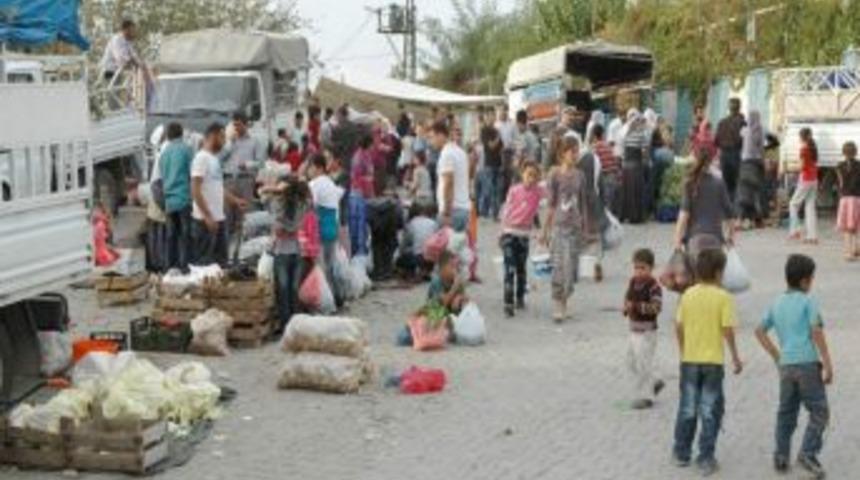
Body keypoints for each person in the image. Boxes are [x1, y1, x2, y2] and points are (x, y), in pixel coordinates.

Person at [754, 254, 832, 477]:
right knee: (819, 411)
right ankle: (808, 453)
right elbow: (816, 331)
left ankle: (781, 456)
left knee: (786, 412)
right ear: (805, 281)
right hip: (807, 364)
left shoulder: (776, 302)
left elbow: (759, 331)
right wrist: (827, 362)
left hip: (786, 366)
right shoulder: (809, 301)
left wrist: (777, 356)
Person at [672, 248, 743, 476]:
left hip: (689, 362)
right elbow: (727, 330)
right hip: (713, 363)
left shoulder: (687, 295)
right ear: (719, 272)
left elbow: (678, 325)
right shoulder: (723, 297)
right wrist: (735, 357)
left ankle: (681, 452)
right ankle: (705, 457)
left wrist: (683, 350)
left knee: (687, 408)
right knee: (711, 410)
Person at [541, 135, 589, 323]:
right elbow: (551, 205)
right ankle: (558, 305)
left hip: (575, 228)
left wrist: (586, 227)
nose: (575, 155)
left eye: (577, 151)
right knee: (560, 268)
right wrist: (545, 231)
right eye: (572, 151)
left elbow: (584, 203)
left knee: (572, 270)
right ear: (562, 154)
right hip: (559, 228)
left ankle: (565, 302)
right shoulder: (554, 175)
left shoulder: (580, 176)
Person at [191, 123, 247, 266]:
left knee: (221, 263)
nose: (224, 141)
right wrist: (208, 216)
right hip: (205, 222)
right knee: (204, 266)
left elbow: (218, 187)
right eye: (222, 137)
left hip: (219, 219)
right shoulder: (201, 158)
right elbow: (195, 189)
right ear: (212, 136)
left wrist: (234, 200)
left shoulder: (214, 159)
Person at [269, 178, 318, 333]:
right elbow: (289, 228)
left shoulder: (280, 206)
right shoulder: (301, 206)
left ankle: (286, 325)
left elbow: (279, 229)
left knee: (284, 290)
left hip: (283, 252)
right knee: (293, 289)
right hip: (296, 252)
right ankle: (293, 325)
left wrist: (275, 191)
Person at [673, 147, 736, 263]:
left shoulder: (690, 184)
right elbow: (730, 214)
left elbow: (683, 216)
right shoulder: (719, 183)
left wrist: (677, 242)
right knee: (713, 279)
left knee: (695, 278)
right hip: (715, 239)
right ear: (711, 162)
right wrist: (731, 237)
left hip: (694, 239)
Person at [499, 162, 543, 317]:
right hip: (509, 233)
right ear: (522, 174)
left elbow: (551, 191)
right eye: (528, 174)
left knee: (521, 269)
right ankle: (508, 302)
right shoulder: (514, 190)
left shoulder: (538, 192)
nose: (531, 178)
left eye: (534, 176)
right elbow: (506, 211)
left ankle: (520, 297)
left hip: (524, 236)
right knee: (509, 268)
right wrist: (502, 232)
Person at [623, 248, 665, 410]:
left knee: (643, 363)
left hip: (647, 332)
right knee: (631, 362)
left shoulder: (654, 287)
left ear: (651, 268)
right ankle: (656, 380)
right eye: (636, 268)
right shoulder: (633, 282)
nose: (639, 272)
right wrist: (626, 307)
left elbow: (656, 308)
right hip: (633, 330)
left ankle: (647, 396)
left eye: (643, 268)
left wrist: (637, 306)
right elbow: (628, 297)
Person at [308, 153, 344, 305]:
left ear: (318, 167)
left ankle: (325, 302)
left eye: (311, 167)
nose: (309, 171)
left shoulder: (315, 184)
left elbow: (311, 205)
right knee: (331, 266)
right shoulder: (331, 183)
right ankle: (338, 297)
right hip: (333, 228)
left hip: (321, 228)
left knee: (321, 269)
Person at [159, 122, 194, 272]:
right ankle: (184, 266)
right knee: (185, 235)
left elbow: (162, 176)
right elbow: (192, 174)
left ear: (168, 135)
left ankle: (168, 267)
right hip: (183, 197)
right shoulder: (186, 150)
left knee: (171, 235)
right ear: (181, 133)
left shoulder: (164, 153)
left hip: (169, 200)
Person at [432, 120, 471, 232]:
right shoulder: (461, 152)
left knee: (442, 247)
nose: (431, 141)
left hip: (452, 210)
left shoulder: (446, 154)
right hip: (464, 208)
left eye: (432, 137)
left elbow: (449, 182)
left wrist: (446, 212)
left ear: (440, 135)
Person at [738, 110, 767, 228]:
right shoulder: (762, 130)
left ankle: (741, 219)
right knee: (757, 193)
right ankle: (758, 221)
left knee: (744, 192)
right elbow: (773, 140)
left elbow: (739, 139)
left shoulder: (744, 130)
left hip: (745, 163)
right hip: (758, 163)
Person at [789, 127, 819, 244]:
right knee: (810, 206)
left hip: (805, 179)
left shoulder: (803, 149)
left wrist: (789, 168)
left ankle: (796, 230)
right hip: (814, 179)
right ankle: (812, 236)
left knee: (793, 204)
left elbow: (801, 167)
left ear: (801, 137)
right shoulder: (813, 148)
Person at [620, 109, 650, 224]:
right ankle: (635, 216)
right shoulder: (640, 133)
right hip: (636, 165)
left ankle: (626, 215)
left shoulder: (625, 132)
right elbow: (644, 150)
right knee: (635, 191)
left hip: (628, 165)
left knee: (628, 191)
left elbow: (622, 147)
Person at [348, 133, 375, 257]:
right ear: (368, 144)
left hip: (354, 192)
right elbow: (366, 177)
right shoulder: (364, 157)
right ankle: (361, 251)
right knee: (361, 225)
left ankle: (354, 250)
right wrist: (371, 194)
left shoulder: (356, 155)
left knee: (354, 223)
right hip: (362, 193)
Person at [396, 203, 438, 280]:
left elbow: (404, 244)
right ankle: (426, 271)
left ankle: (413, 271)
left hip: (418, 258)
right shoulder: (433, 223)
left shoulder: (411, 223)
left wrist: (399, 255)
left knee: (402, 256)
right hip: (433, 257)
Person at [715, 98, 746, 201]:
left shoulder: (722, 122)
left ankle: (727, 207)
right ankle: (735, 208)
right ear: (739, 107)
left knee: (726, 182)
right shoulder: (742, 122)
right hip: (736, 153)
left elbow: (716, 141)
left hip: (724, 154)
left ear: (729, 108)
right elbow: (744, 140)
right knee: (737, 182)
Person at [836, 141, 860, 260]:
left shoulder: (839, 166)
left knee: (846, 228)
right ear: (856, 152)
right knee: (855, 226)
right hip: (857, 199)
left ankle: (848, 253)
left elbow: (840, 184)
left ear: (843, 153)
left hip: (845, 199)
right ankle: (856, 247)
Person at [428, 251, 468, 315]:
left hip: (450, 314)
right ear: (442, 268)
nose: (455, 270)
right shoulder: (437, 281)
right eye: (452, 266)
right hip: (435, 314)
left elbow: (466, 298)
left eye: (456, 266)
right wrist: (455, 286)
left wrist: (460, 298)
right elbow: (444, 303)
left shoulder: (454, 280)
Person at [592, 124, 620, 216]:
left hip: (603, 175)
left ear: (594, 136)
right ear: (603, 134)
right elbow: (615, 161)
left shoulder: (595, 147)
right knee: (610, 200)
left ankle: (606, 220)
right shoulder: (608, 146)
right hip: (612, 175)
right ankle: (610, 218)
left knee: (604, 199)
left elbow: (595, 164)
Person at [481, 113, 504, 219]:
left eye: (493, 116)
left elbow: (501, 147)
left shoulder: (496, 131)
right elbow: (491, 146)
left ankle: (495, 214)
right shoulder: (484, 131)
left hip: (498, 163)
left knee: (497, 190)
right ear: (486, 119)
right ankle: (484, 211)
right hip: (489, 164)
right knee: (489, 189)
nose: (492, 119)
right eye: (489, 117)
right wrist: (498, 138)